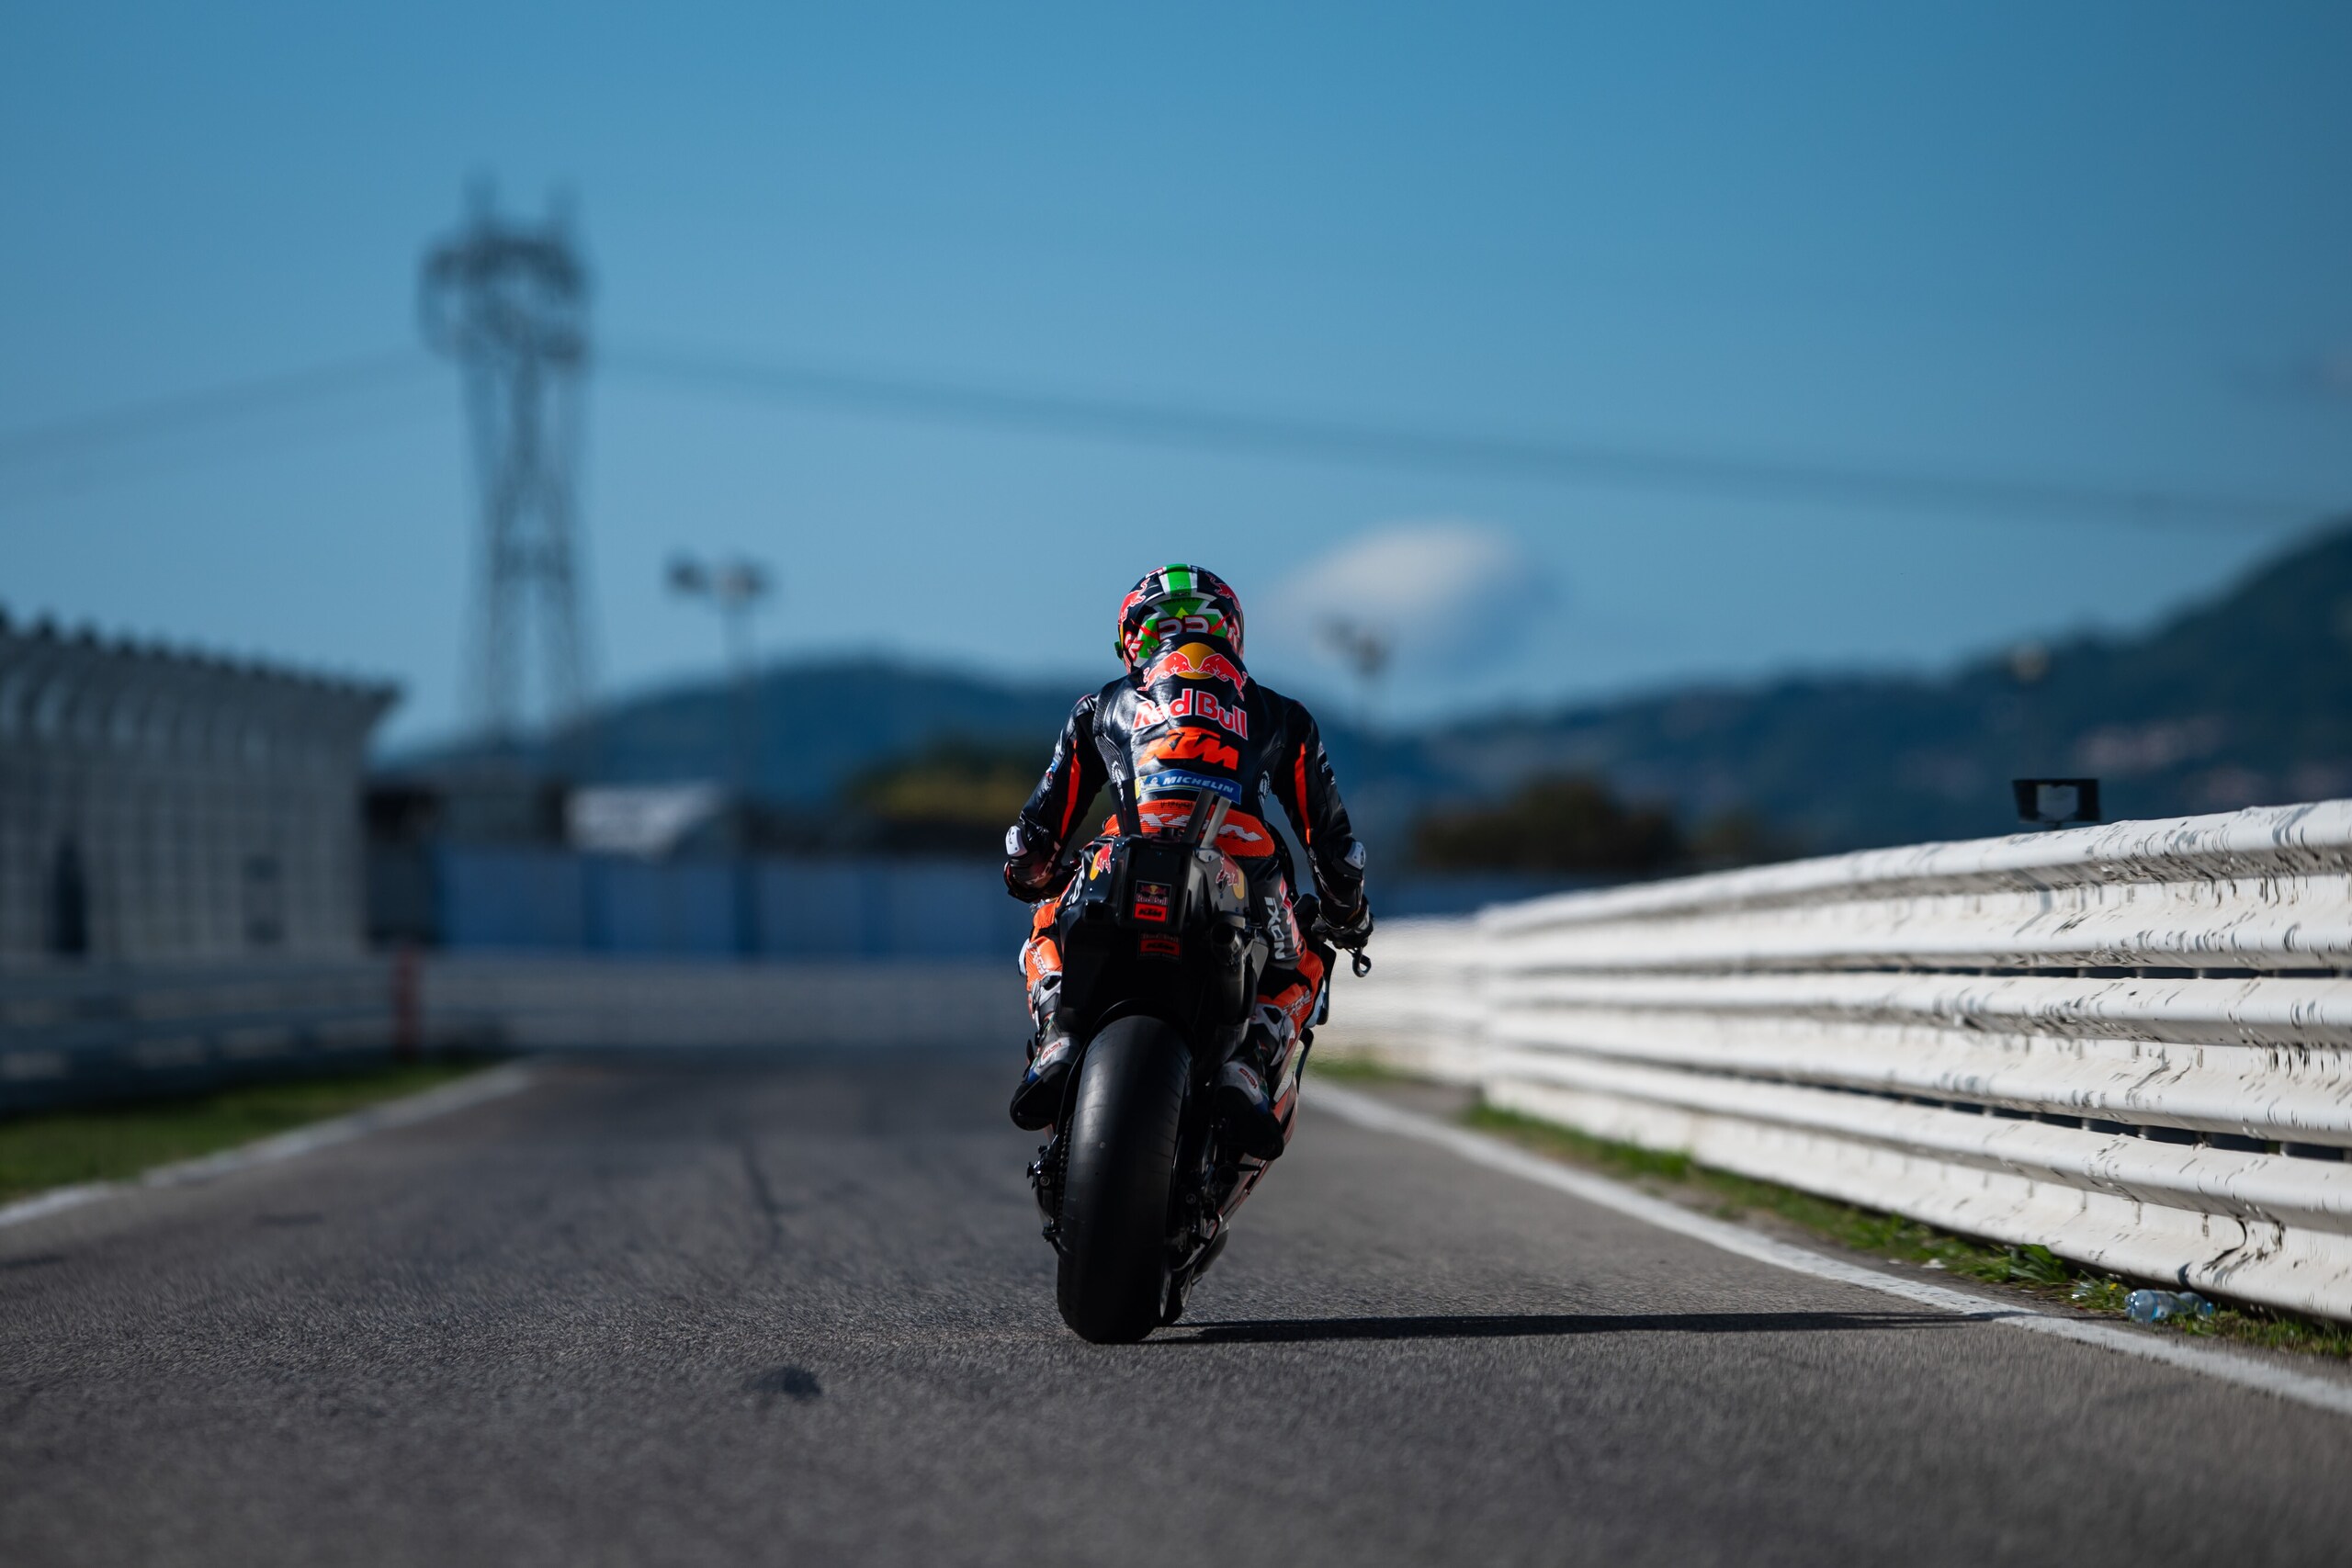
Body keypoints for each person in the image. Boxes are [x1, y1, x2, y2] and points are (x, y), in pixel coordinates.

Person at [1001, 564, 1373, 1157]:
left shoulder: (1102, 705)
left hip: (1124, 846)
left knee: (1049, 911)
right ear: (1230, 632)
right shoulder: (1280, 713)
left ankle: (1056, 1031)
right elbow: (1333, 848)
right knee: (1308, 957)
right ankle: (1250, 1062)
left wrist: (1031, 875)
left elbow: (1035, 838)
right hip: (1245, 858)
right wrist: (1347, 912)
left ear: (1133, 641)